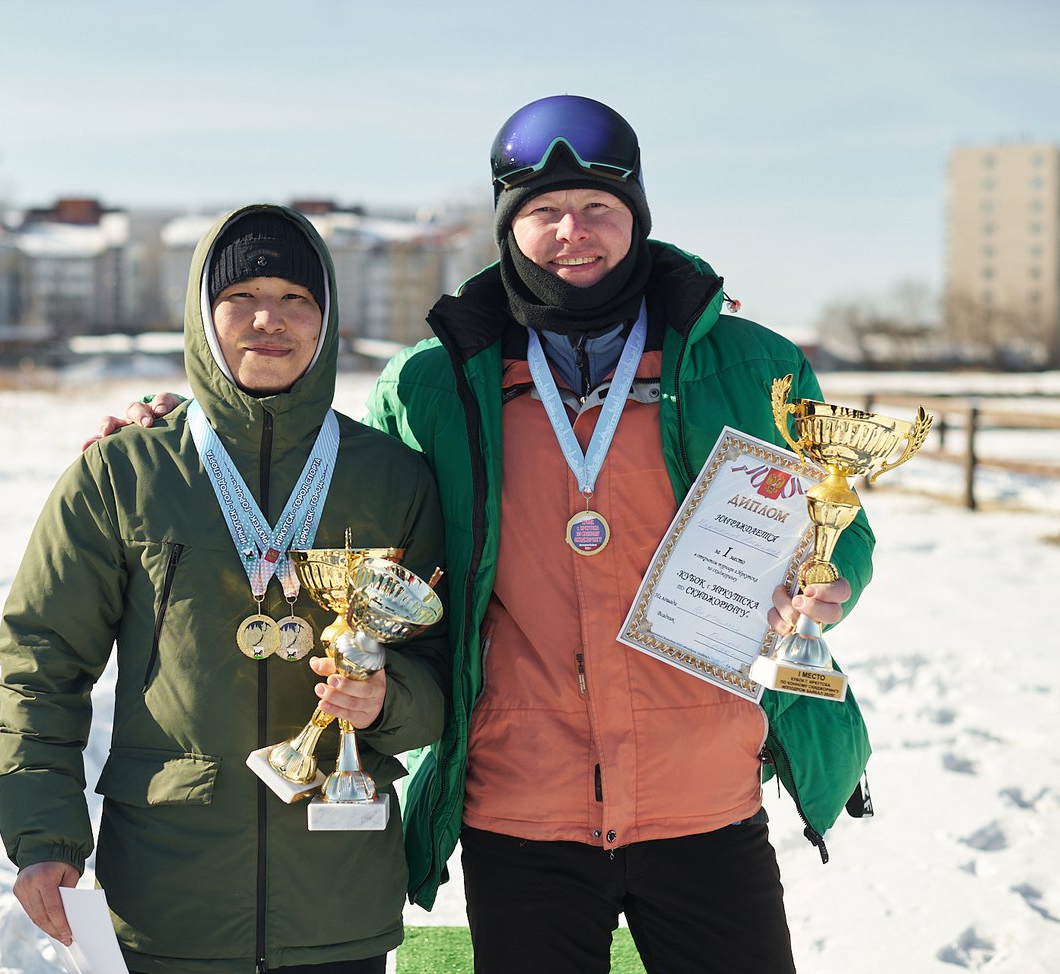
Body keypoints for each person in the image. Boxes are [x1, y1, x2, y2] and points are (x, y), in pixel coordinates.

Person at [106, 96, 876, 974]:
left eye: (597, 209)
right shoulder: (436, 381)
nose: (570, 232)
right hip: (521, 803)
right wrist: (192, 432)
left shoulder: (747, 363)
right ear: (510, 228)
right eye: (543, 212)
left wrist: (828, 584)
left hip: (702, 792)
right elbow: (348, 501)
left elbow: (839, 524)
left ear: (638, 218)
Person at [0, 204, 449, 974]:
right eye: (242, 297)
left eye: (297, 299)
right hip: (169, 901)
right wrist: (45, 838)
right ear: (204, 315)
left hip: (337, 898)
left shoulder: (391, 477)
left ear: (326, 320)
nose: (269, 319)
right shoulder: (122, 473)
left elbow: (449, 663)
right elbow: (42, 662)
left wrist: (388, 701)